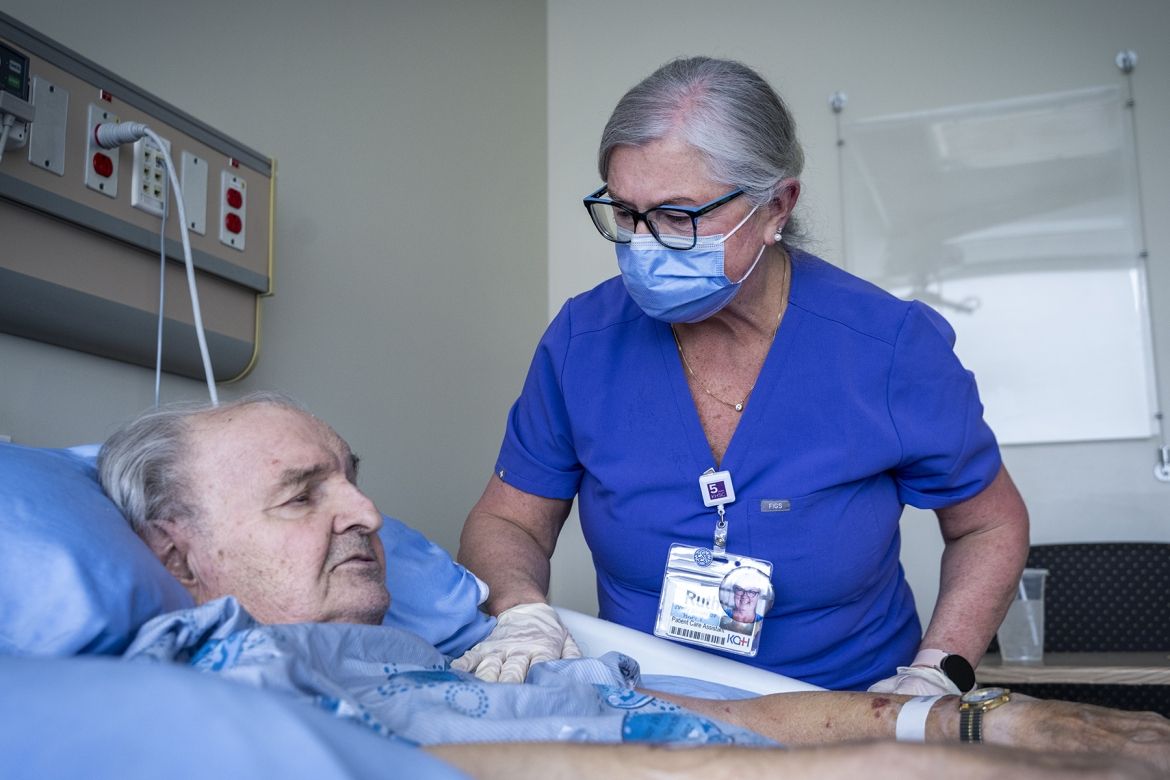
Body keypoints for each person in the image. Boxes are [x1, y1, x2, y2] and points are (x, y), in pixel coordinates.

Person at [94, 393, 1170, 780]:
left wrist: (954, 722)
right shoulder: (225, 679)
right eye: (301, 496)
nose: (368, 514)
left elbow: (662, 713)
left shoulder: (439, 658)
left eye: (354, 482)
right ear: (177, 557)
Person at [456, 56, 1030, 694]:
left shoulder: (886, 346)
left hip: (846, 714)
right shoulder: (582, 343)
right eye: (625, 214)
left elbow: (989, 523)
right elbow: (507, 520)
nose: (645, 244)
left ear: (776, 205)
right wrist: (520, 612)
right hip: (647, 710)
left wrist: (937, 674)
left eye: (679, 216)